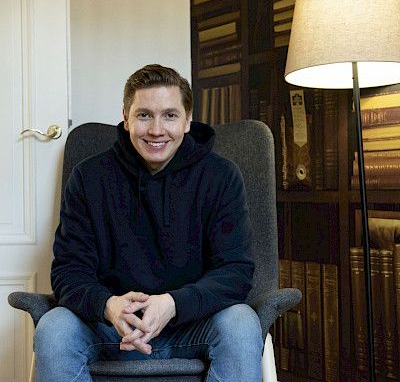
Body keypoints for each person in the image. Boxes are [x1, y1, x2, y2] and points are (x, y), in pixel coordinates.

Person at [34, 64, 263, 381]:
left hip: (192, 326)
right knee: (54, 327)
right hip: (111, 328)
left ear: (187, 120)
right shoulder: (88, 177)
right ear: (126, 118)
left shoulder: (221, 176)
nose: (157, 130)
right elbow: (69, 271)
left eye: (170, 115)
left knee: (241, 322)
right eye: (144, 115)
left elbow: (235, 271)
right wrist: (109, 306)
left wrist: (172, 304)